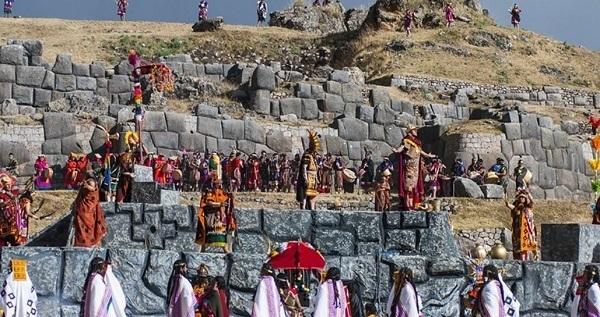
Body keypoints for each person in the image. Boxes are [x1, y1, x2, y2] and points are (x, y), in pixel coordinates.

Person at [393, 126, 436, 210]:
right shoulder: (407, 140)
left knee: (415, 186)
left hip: (416, 168)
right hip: (409, 166)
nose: (416, 131)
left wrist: (428, 155)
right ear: (410, 132)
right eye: (414, 130)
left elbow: (421, 152)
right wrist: (397, 151)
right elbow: (402, 148)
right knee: (408, 186)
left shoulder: (417, 142)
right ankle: (408, 205)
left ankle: (415, 205)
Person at [195, 179, 236, 253]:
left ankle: (225, 248)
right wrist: (219, 204)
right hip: (210, 215)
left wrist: (230, 196)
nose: (219, 185)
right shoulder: (209, 193)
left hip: (220, 215)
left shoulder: (222, 192)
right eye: (217, 183)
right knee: (207, 230)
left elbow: (226, 199)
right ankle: (203, 248)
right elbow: (208, 202)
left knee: (222, 231)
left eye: (220, 183)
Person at [72, 176, 107, 248]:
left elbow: (93, 190)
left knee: (90, 231)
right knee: (81, 231)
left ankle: (90, 243)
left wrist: (87, 186)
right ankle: (82, 244)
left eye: (90, 185)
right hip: (82, 213)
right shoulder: (83, 194)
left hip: (90, 214)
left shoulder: (94, 194)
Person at [0, 173, 35, 246]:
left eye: (10, 184)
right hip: (5, 221)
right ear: (3, 184)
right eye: (6, 184)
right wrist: (9, 201)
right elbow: (2, 205)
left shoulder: (14, 192)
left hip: (16, 219)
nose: (9, 185)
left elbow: (25, 195)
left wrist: (28, 211)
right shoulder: (1, 194)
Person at [505, 190, 538, 261]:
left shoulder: (528, 208)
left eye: (523, 197)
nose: (521, 199)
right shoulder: (517, 208)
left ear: (526, 199)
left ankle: (527, 259)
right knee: (517, 248)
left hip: (526, 230)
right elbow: (511, 206)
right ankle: (518, 260)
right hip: (517, 230)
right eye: (520, 197)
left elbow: (532, 202)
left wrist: (528, 193)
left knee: (525, 248)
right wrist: (507, 202)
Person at [296, 130, 321, 211]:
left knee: (313, 194)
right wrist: (305, 178)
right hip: (308, 176)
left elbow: (316, 169)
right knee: (305, 194)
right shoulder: (307, 155)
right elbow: (304, 167)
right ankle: (303, 209)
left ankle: (312, 209)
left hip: (313, 178)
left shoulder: (313, 156)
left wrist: (317, 178)